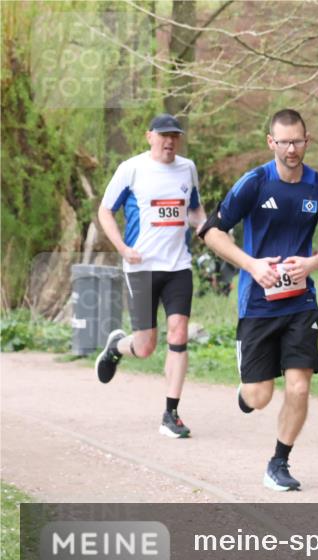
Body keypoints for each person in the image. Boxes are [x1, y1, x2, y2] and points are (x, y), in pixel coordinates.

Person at [199, 109, 318, 491]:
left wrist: (311, 264)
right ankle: (247, 391)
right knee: (259, 396)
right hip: (258, 304)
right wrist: (251, 266)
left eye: (297, 140)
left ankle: (278, 463)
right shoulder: (255, 182)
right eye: (283, 142)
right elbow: (212, 232)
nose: (291, 148)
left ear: (307, 140)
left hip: (300, 303)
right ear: (271, 143)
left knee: (299, 387)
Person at [95, 113, 207, 438]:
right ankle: (118, 346)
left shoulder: (187, 168)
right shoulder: (131, 169)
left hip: (178, 266)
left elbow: (194, 209)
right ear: (150, 137)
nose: (170, 141)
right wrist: (122, 248)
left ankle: (171, 413)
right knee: (145, 347)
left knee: (179, 331)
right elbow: (105, 211)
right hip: (141, 266)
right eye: (164, 135)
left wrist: (204, 227)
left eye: (175, 136)